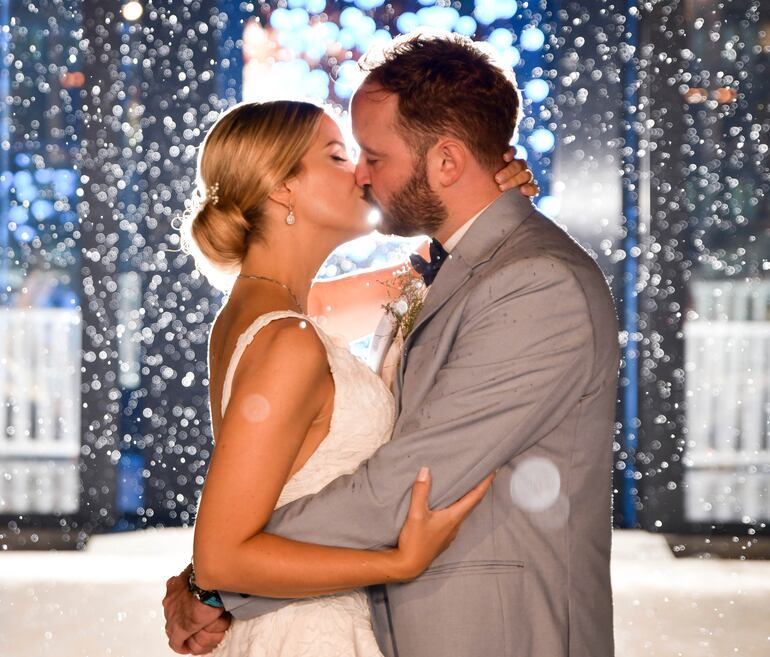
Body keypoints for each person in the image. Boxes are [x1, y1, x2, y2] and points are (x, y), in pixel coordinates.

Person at [165, 30, 619, 657]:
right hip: (317, 624)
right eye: (340, 156)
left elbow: (404, 475)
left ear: (446, 160)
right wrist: (222, 574)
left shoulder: (527, 283)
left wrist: (216, 583)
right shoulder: (285, 331)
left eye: (371, 156)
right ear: (281, 190)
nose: (360, 172)